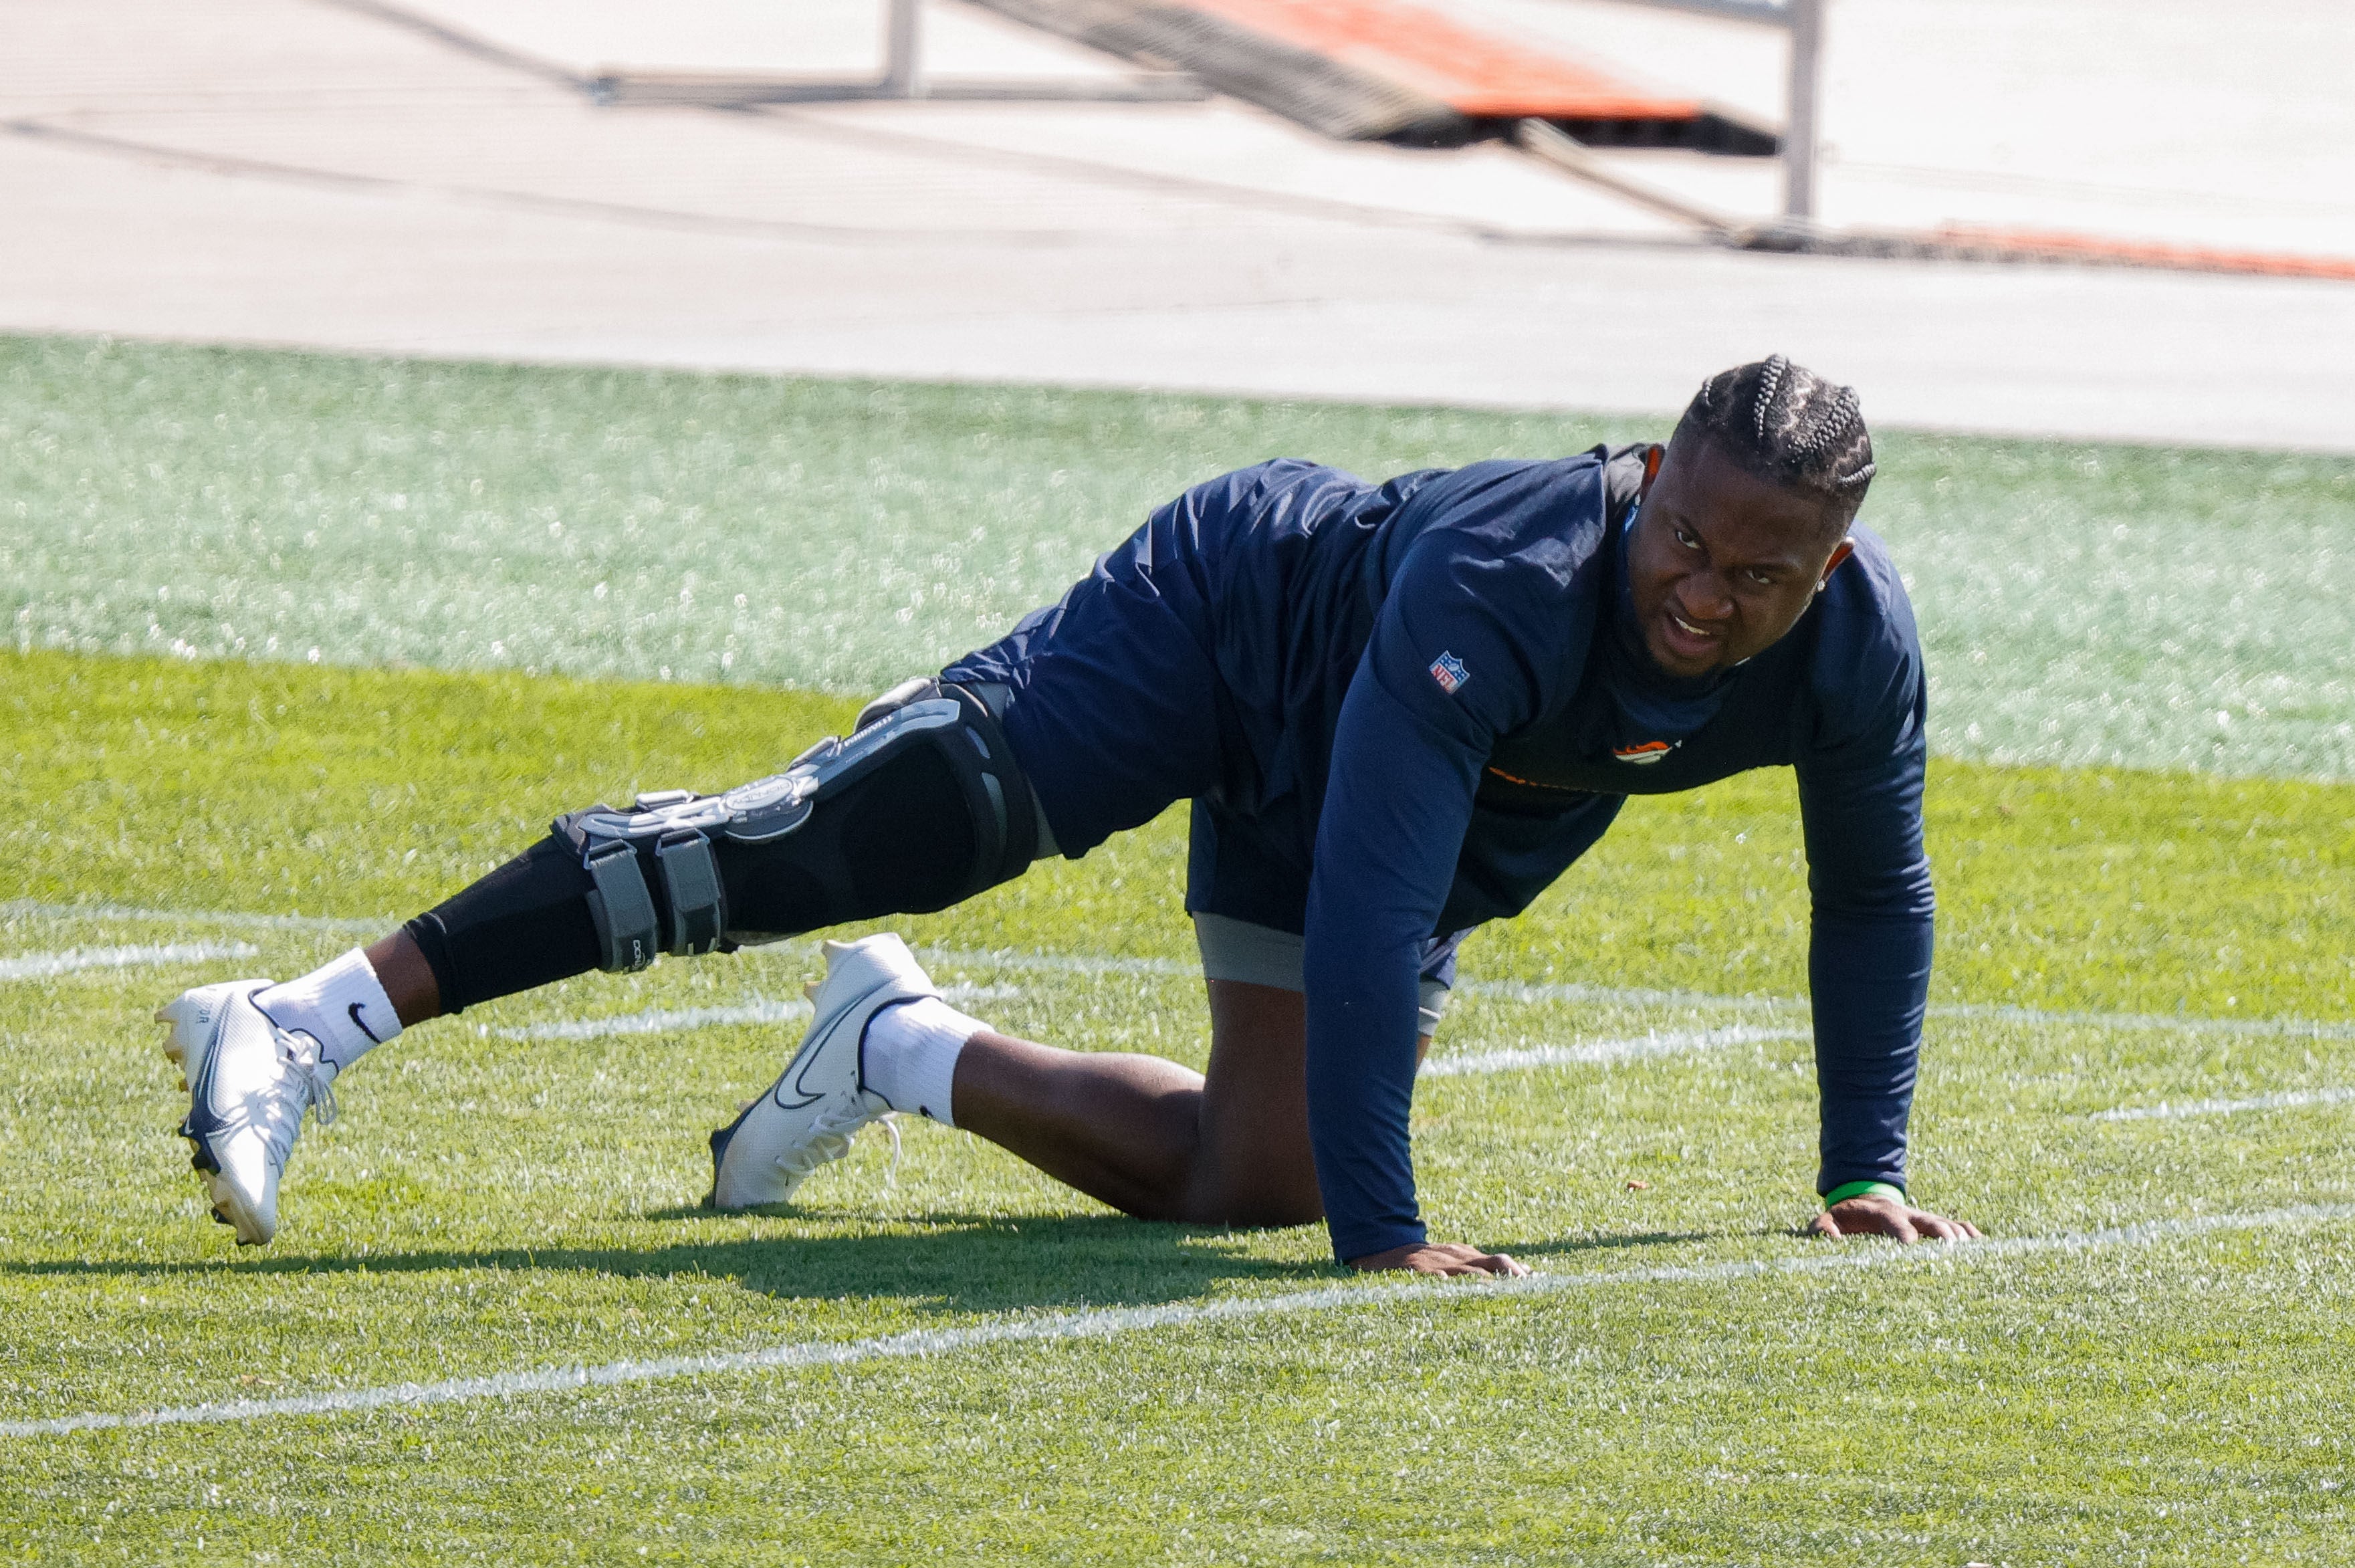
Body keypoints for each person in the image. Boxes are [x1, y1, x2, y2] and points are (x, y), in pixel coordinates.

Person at [158, 355, 1981, 1270]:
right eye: (1685, 537)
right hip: (1224, 629)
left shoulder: (1851, 647)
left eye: (1763, 571)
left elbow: (1871, 900)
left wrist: (1860, 1169)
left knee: (1253, 1175)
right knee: (845, 836)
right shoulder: (1507, 578)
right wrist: (1389, 1235)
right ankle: (308, 1013)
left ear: (1829, 565)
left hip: (1369, 774)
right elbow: (1364, 901)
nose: (1704, 593)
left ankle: (893, 1046)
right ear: (1648, 476)